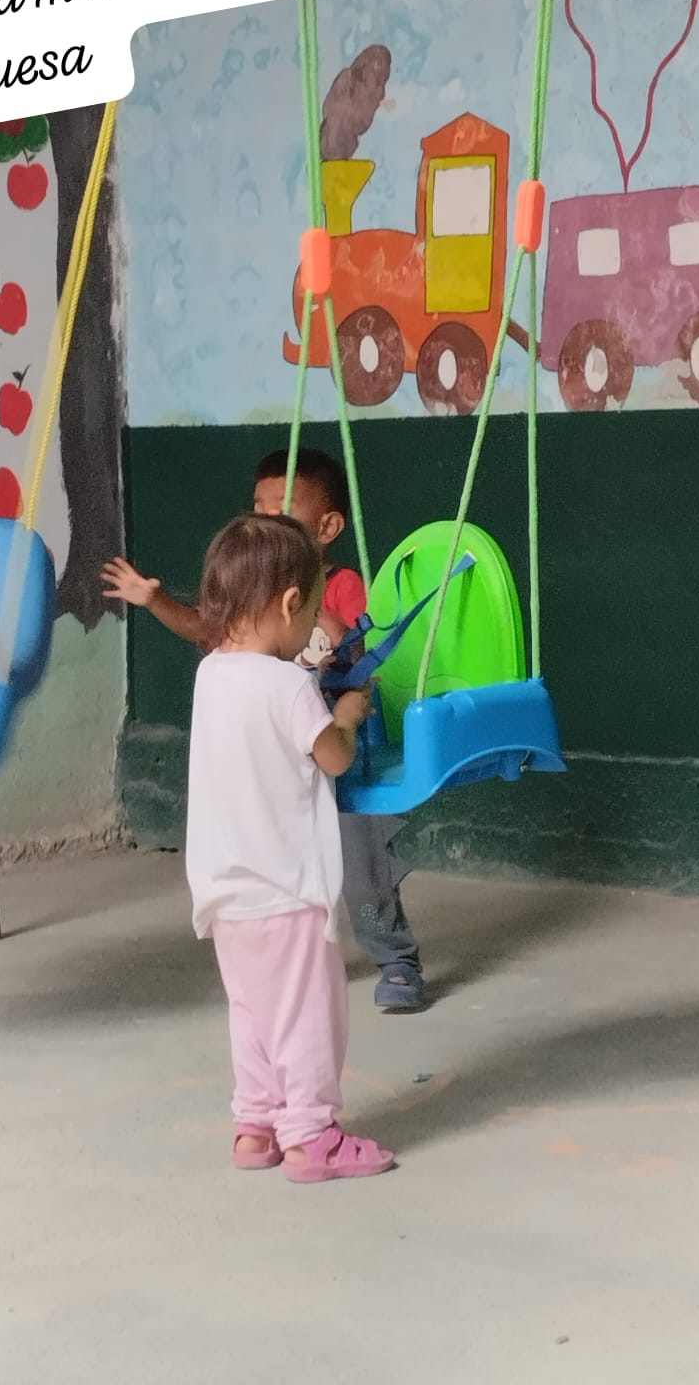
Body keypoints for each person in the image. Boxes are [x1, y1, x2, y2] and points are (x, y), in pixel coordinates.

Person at [101, 445, 425, 1012]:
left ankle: (395, 956)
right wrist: (156, 601)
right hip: (285, 749)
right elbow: (206, 630)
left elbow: (362, 649)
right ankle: (301, 952)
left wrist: (328, 626)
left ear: (327, 527)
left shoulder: (340, 586)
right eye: (259, 505)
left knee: (363, 865)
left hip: (338, 736)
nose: (268, 517)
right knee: (283, 859)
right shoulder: (251, 602)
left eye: (284, 506)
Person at [185, 511, 394, 1182]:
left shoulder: (210, 675)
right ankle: (311, 1138)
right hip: (287, 891)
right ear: (290, 603)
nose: (311, 633)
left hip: (224, 891)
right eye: (310, 614)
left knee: (252, 1009)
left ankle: (256, 1125)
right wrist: (347, 716)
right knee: (308, 1015)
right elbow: (333, 757)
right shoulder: (288, 686)